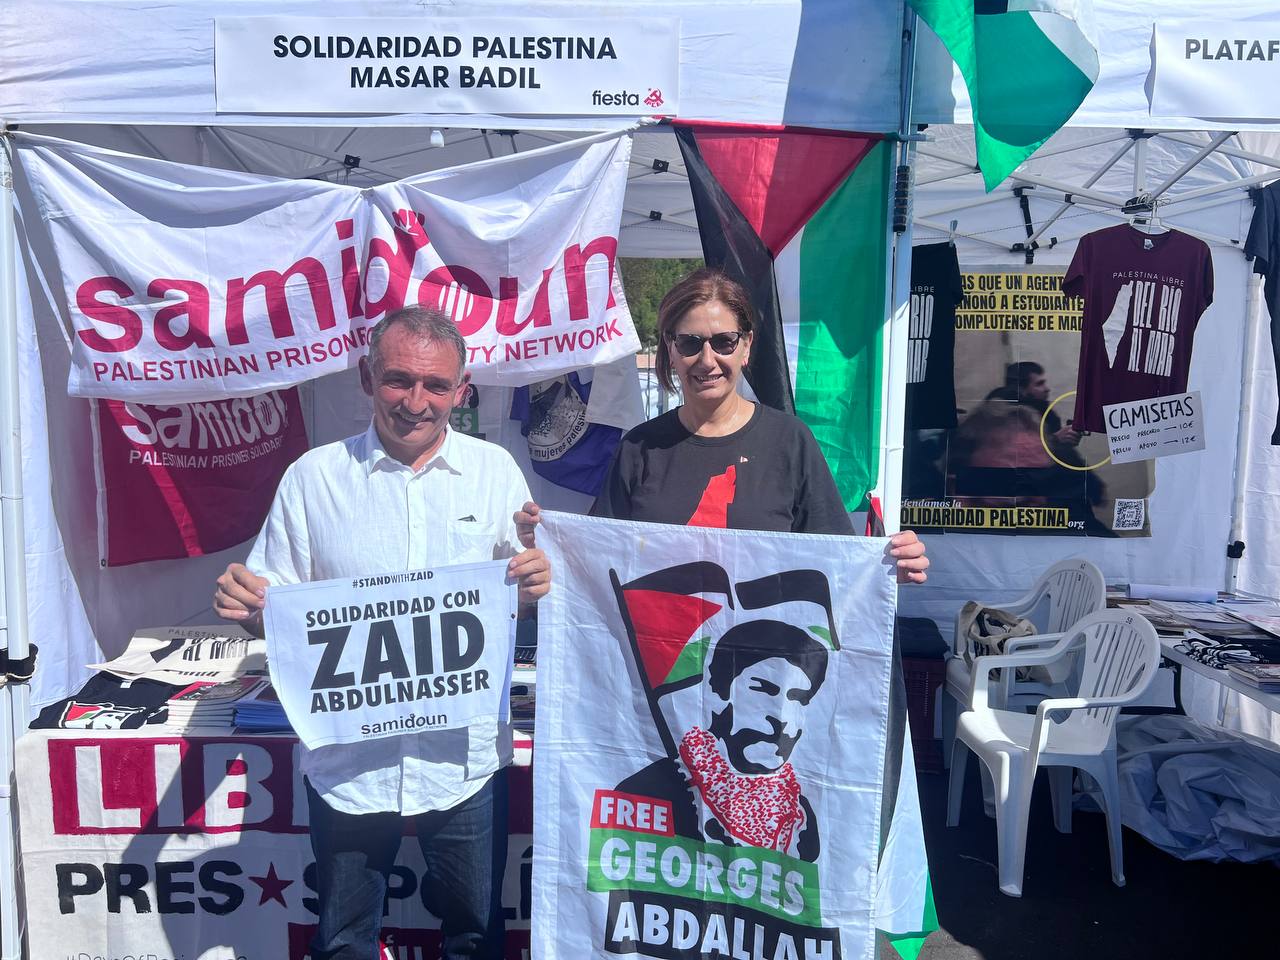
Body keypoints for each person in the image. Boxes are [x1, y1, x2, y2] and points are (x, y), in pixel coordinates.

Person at [212, 306, 550, 960]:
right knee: (342, 941)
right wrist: (248, 605)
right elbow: (275, 605)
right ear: (368, 377)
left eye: (435, 385)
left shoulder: (497, 473)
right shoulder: (313, 479)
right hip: (350, 765)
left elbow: (522, 601)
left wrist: (539, 588)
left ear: (463, 387)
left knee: (476, 938)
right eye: (399, 380)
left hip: (464, 760)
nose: (416, 401)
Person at [538, 267, 928, 581]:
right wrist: (547, 552)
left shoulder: (789, 442)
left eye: (723, 341)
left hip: (763, 667)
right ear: (671, 350)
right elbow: (593, 560)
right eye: (690, 343)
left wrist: (887, 566)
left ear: (746, 346)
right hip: (662, 664)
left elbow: (838, 562)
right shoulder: (640, 448)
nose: (707, 360)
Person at [614, 618, 828, 861]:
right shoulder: (645, 793)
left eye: (798, 699)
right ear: (719, 696)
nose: (780, 716)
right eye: (762, 690)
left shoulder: (802, 819)